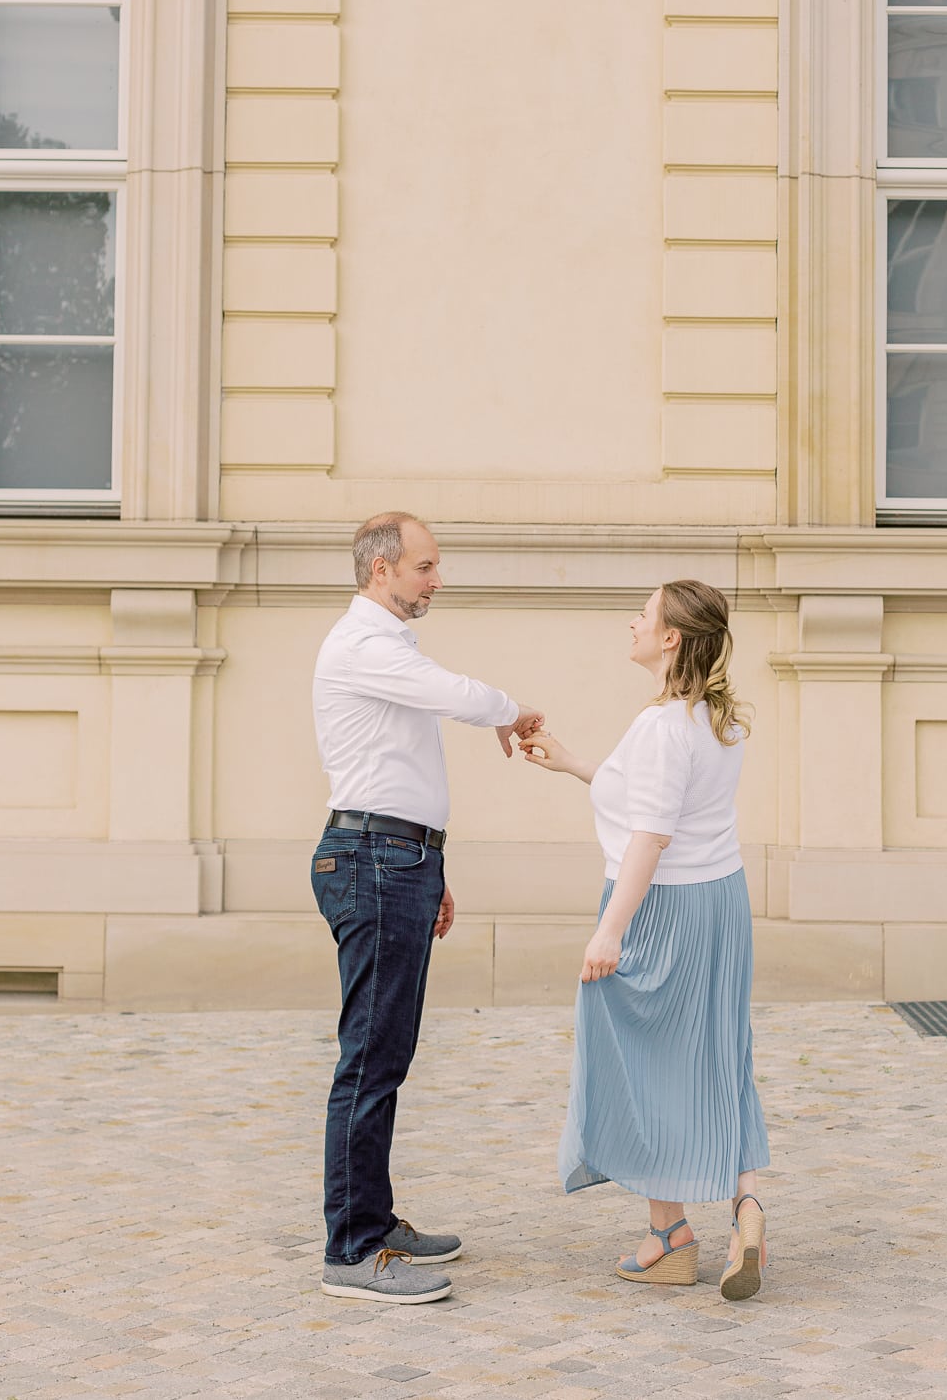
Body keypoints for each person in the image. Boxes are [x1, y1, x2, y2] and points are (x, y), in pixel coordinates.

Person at [311, 511, 544, 1305]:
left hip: (396, 858)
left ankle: (372, 1222)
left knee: (388, 1055)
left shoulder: (386, 648)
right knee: (369, 1059)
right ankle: (351, 1250)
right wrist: (511, 707)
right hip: (374, 860)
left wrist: (430, 865)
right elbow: (450, 696)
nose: (436, 579)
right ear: (382, 570)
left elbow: (397, 766)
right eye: (425, 566)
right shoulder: (364, 645)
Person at [519, 580, 771, 1300]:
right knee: (721, 1051)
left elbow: (654, 833)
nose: (631, 620)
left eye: (646, 612)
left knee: (637, 1057)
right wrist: (575, 763)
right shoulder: (718, 719)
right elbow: (664, 803)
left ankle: (670, 1237)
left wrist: (610, 929)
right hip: (721, 901)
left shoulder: (663, 725)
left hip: (662, 906)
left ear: (670, 638)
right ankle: (746, 1205)